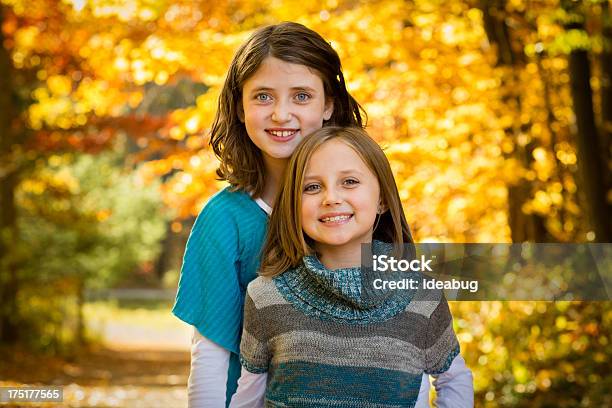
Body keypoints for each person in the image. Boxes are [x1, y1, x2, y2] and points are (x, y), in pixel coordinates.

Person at [172, 22, 366, 407]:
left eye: (301, 96)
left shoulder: (358, 209)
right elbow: (210, 357)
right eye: (263, 96)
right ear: (240, 107)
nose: (281, 113)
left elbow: (408, 329)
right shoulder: (224, 221)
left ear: (327, 104)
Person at [231, 126, 474, 407]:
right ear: (293, 206)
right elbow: (249, 397)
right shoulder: (265, 297)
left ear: (382, 199)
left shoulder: (422, 296)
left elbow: (453, 379)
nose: (331, 198)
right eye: (312, 187)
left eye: (349, 182)